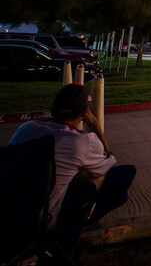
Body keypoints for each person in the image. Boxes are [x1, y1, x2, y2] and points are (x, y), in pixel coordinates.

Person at [9, 85, 136, 257]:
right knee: (123, 174)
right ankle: (70, 232)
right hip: (43, 218)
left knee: (79, 177)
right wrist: (96, 126)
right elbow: (109, 160)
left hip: (12, 208)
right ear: (85, 112)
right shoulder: (81, 142)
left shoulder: (26, 128)